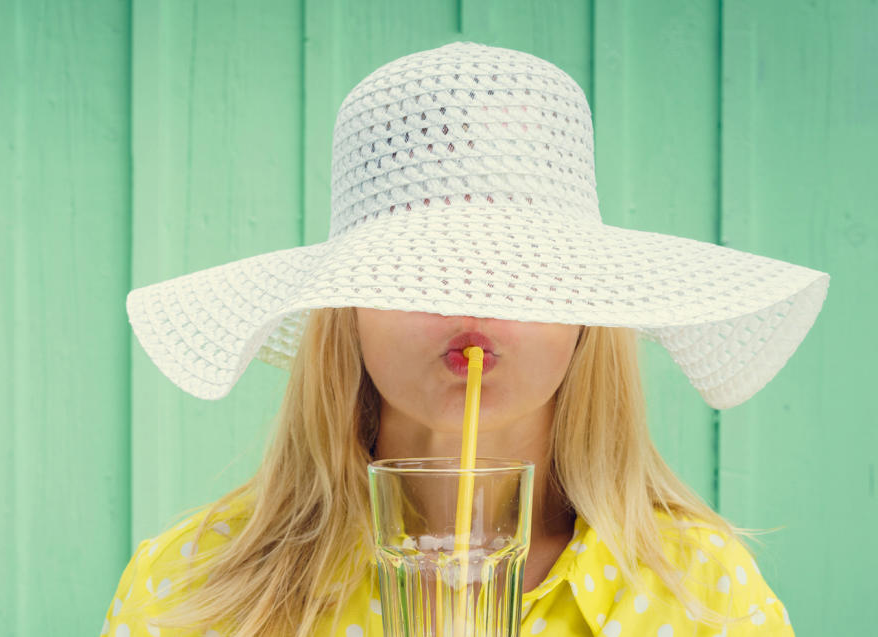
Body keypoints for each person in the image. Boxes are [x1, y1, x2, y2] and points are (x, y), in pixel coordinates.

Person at [102, 42, 828, 636]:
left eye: (519, 264)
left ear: (585, 312)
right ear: (347, 304)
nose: (470, 294)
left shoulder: (705, 598)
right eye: (418, 265)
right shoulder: (193, 592)